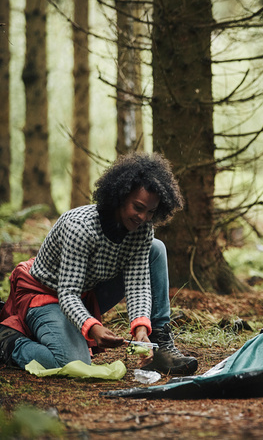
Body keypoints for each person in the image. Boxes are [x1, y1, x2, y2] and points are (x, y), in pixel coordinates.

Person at [0, 152, 198, 375]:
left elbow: (138, 284)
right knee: (73, 362)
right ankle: (10, 342)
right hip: (46, 295)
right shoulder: (80, 227)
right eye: (138, 207)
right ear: (120, 197)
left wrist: (141, 328)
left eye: (151, 212)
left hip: (87, 292)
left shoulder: (142, 229)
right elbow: (68, 293)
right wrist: (92, 327)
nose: (143, 217)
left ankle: (159, 344)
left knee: (156, 247)